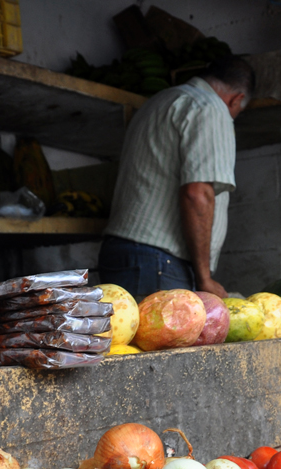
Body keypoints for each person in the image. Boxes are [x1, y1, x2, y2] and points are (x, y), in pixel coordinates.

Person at [98, 56, 256, 299]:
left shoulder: (159, 101)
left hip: (121, 254)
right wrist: (204, 278)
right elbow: (198, 194)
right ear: (237, 99)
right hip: (159, 263)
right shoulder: (210, 108)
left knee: (124, 336)